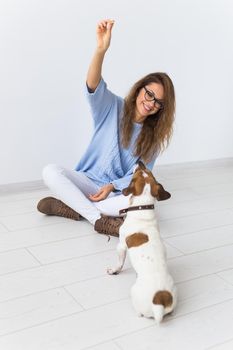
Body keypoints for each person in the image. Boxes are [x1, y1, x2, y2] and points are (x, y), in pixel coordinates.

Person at [37, 19, 176, 237]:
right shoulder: (113, 106)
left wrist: (111, 186)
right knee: (50, 172)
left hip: (113, 193)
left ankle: (73, 207)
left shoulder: (154, 139)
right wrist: (101, 50)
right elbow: (93, 84)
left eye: (159, 102)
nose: (151, 103)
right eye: (149, 94)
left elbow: (139, 176)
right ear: (140, 89)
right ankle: (97, 220)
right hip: (87, 181)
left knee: (144, 202)